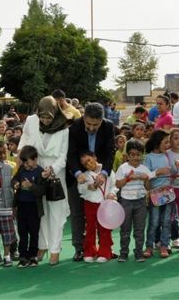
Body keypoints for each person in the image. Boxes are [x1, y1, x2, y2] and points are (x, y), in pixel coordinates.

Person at [19, 95, 71, 265]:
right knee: (40, 212)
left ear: (55, 113)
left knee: (56, 212)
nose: (46, 120)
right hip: (35, 170)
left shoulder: (64, 128)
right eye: (43, 116)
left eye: (49, 117)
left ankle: (55, 250)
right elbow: (24, 145)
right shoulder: (32, 121)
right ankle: (42, 245)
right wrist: (24, 168)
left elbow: (63, 156)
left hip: (55, 174)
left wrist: (53, 169)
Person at [66, 102, 115, 262]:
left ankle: (104, 249)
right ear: (84, 117)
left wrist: (105, 173)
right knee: (78, 213)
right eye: (89, 124)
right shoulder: (74, 128)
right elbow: (71, 154)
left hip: (100, 175)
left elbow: (110, 153)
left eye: (96, 124)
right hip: (78, 176)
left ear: (102, 120)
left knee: (103, 214)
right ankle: (80, 249)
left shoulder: (108, 127)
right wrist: (78, 173)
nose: (92, 128)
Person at [114, 139, 151, 262]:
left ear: (142, 155)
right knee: (125, 229)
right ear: (127, 156)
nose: (135, 157)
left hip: (140, 202)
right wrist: (128, 178)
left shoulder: (145, 169)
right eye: (132, 155)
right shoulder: (123, 168)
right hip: (126, 202)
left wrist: (146, 179)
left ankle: (139, 253)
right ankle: (123, 253)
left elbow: (148, 187)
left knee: (140, 229)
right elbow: (118, 184)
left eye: (138, 155)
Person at [77, 151, 117, 263]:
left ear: (95, 157)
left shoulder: (107, 171)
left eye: (89, 160)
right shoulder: (84, 175)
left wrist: (112, 193)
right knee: (90, 229)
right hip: (89, 204)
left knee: (104, 229)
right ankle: (89, 252)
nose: (88, 164)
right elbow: (80, 189)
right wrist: (87, 187)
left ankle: (105, 253)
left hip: (104, 204)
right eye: (85, 164)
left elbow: (114, 185)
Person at [143, 130, 177, 259]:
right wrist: (158, 172)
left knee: (167, 221)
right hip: (155, 195)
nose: (168, 145)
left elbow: (173, 172)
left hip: (168, 194)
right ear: (157, 142)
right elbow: (146, 176)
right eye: (166, 142)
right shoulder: (149, 158)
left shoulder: (168, 156)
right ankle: (149, 246)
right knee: (154, 221)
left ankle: (164, 245)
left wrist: (177, 167)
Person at [11, 145, 46, 268]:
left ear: (35, 159)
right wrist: (15, 184)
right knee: (22, 232)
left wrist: (30, 186)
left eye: (27, 162)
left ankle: (33, 256)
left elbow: (42, 191)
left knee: (34, 232)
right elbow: (14, 179)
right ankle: (23, 257)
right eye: (23, 162)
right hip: (21, 205)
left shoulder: (40, 172)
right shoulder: (21, 169)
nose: (25, 165)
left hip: (34, 207)